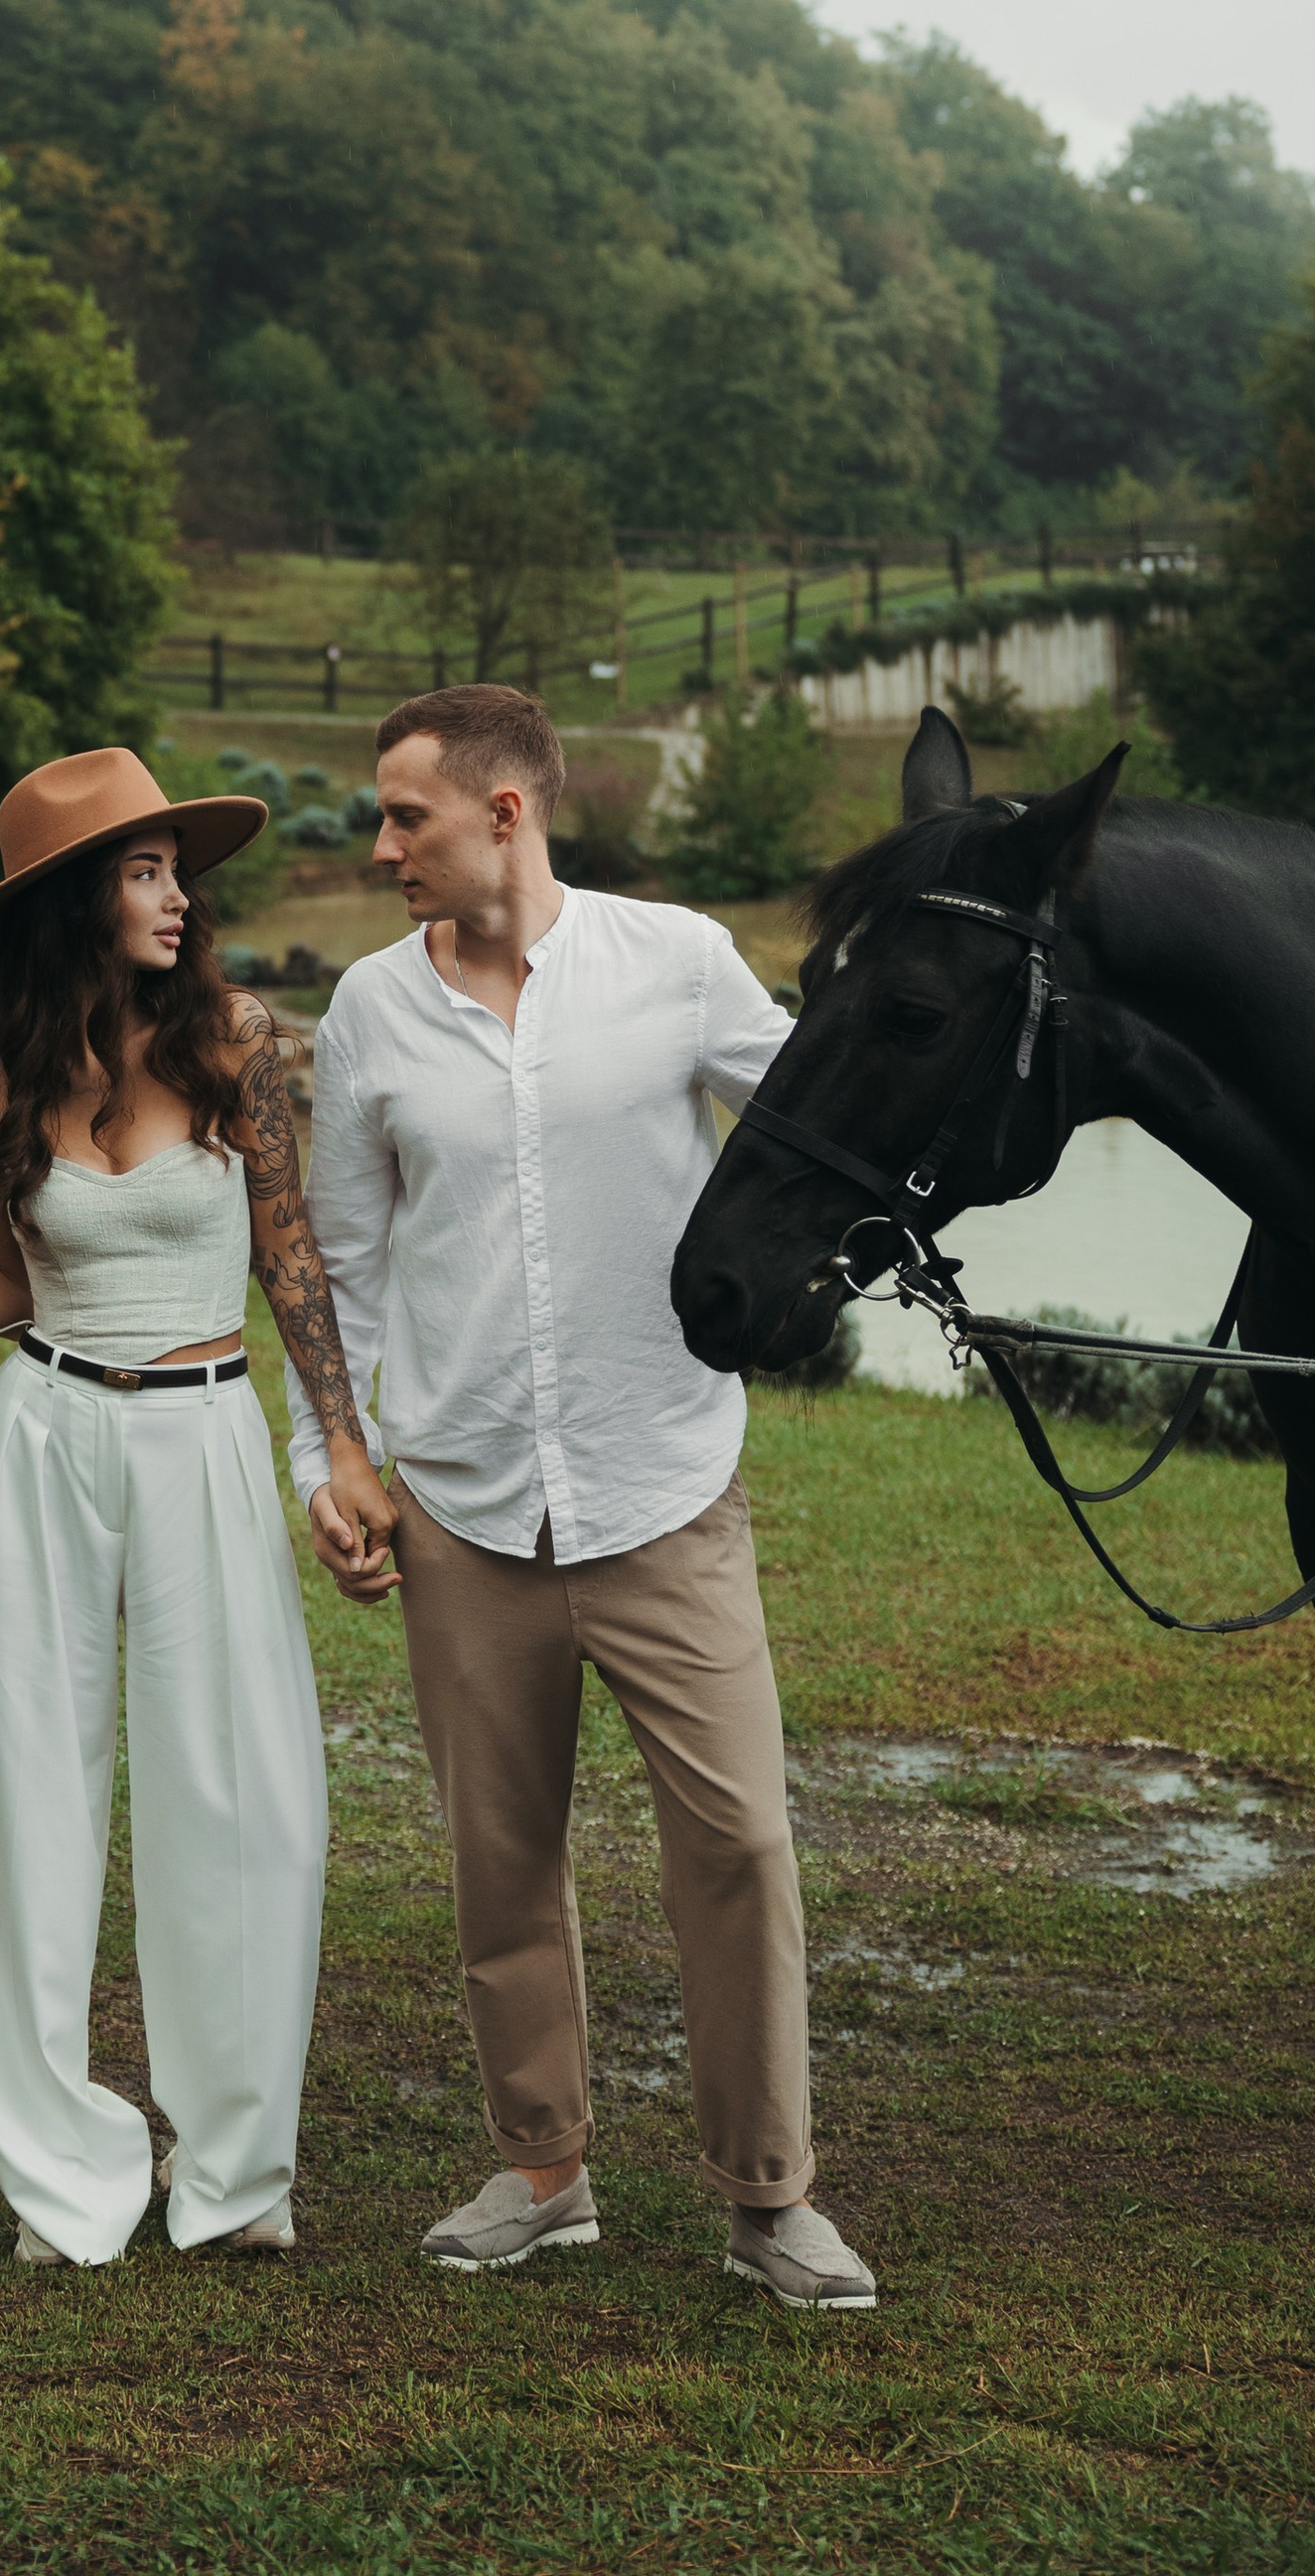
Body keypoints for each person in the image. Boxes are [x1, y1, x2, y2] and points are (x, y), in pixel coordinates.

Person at [288, 684, 877, 2311]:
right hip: (464, 1504)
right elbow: (332, 1263)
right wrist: (329, 1456)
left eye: (406, 812)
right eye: (379, 813)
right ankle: (544, 2169)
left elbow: (832, 1121)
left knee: (743, 1841)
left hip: (665, 1483)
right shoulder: (367, 1013)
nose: (382, 841)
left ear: (505, 811)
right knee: (498, 1860)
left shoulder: (676, 960)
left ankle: (772, 2198)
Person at [0, 747, 396, 2268]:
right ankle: (61, 2169)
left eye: (179, 868)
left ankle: (231, 2173)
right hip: (37, 1439)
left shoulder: (235, 1042)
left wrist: (340, 1453)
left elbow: (292, 1262)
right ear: (69, 901)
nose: (180, 895)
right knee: (19, 1794)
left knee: (238, 1799)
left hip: (204, 1438)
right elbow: (10, 1280)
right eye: (146, 869)